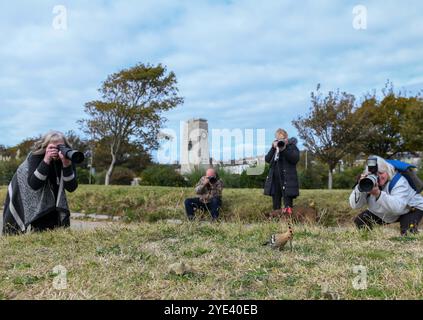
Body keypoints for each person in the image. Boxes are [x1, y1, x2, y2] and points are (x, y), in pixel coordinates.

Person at [3, 131, 78, 234]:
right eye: (53, 147)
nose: (57, 150)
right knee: (38, 227)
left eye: (60, 147)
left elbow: (71, 187)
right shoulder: (36, 156)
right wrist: (46, 160)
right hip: (28, 192)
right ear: (45, 147)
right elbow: (34, 184)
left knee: (57, 227)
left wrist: (67, 165)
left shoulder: (68, 157)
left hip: (54, 198)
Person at [350, 156, 423, 235]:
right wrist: (360, 188)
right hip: (388, 211)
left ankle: (411, 232)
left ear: (388, 171)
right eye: (374, 174)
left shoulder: (399, 182)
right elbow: (355, 206)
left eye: (381, 173)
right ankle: (370, 241)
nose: (378, 177)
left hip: (409, 208)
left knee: (408, 234)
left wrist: (378, 193)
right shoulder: (368, 181)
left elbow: (398, 208)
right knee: (361, 221)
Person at [264, 129, 300, 216]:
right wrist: (273, 147)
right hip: (275, 179)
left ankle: (289, 222)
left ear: (286, 138)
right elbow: (267, 159)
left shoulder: (292, 147)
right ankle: (276, 222)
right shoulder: (275, 148)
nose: (280, 141)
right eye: (278, 139)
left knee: (288, 204)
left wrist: (284, 149)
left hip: (287, 180)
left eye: (282, 139)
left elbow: (295, 159)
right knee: (276, 204)